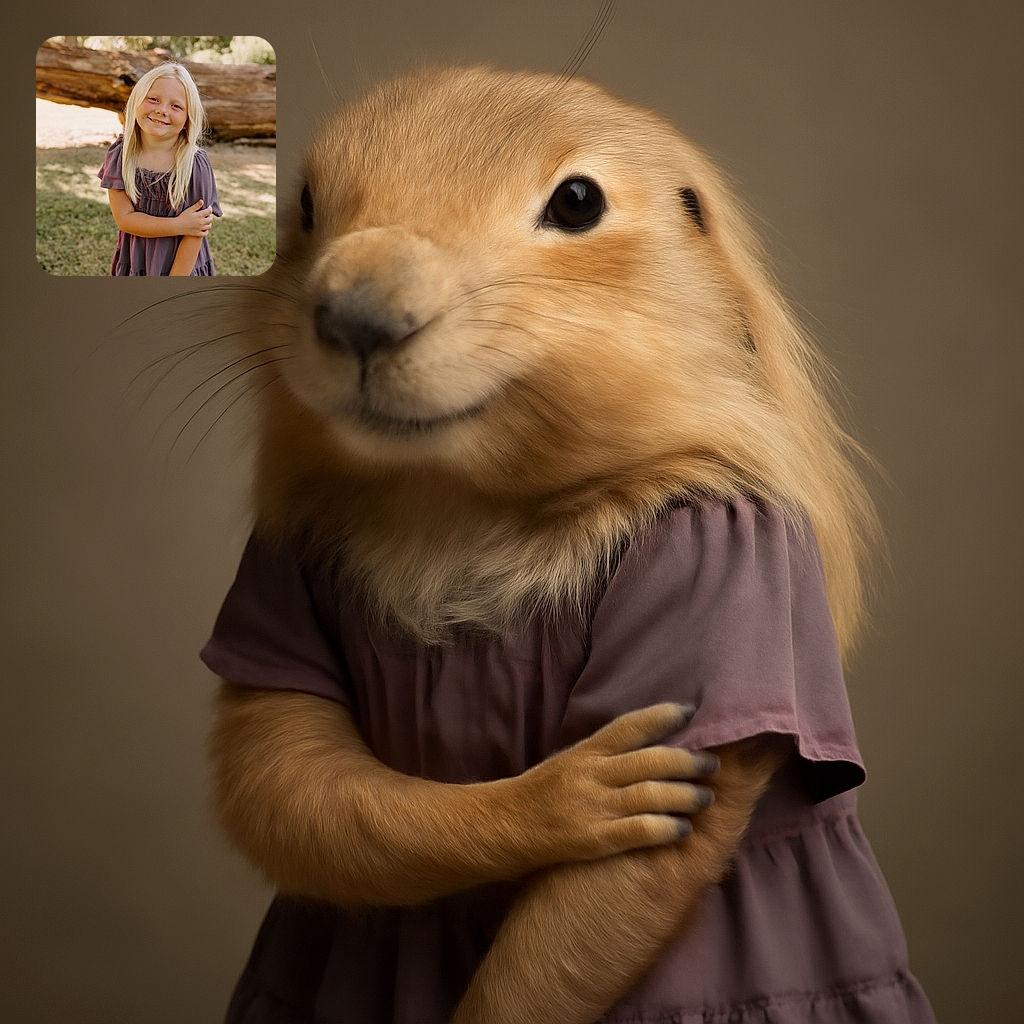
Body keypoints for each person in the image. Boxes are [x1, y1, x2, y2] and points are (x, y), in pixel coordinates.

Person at [98, 62, 221, 276]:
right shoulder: (121, 154)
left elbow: (195, 231)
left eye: (176, 106)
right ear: (137, 100)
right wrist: (179, 225)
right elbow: (124, 219)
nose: (161, 110)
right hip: (136, 263)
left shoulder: (194, 164)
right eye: (153, 99)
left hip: (181, 269)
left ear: (187, 119)